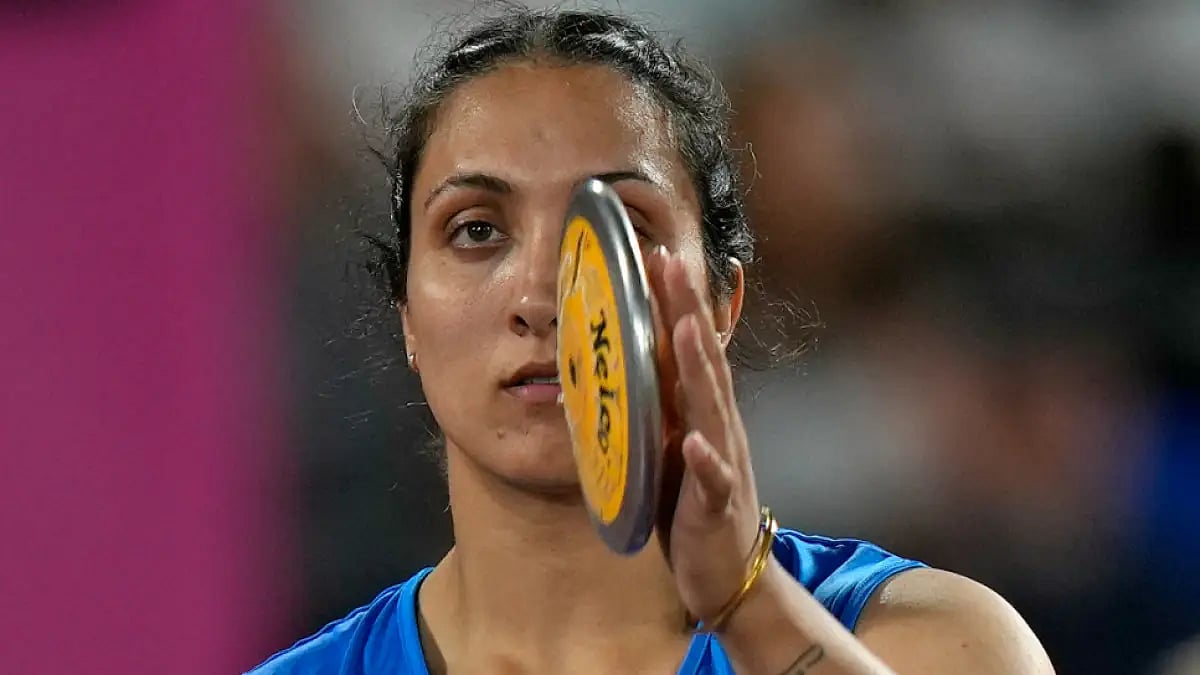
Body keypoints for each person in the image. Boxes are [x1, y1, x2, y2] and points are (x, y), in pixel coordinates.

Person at [249, 8, 1053, 674]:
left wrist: (748, 607)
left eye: (619, 233)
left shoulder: (939, 644)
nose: (543, 297)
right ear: (407, 316)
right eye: (477, 230)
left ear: (722, 302)